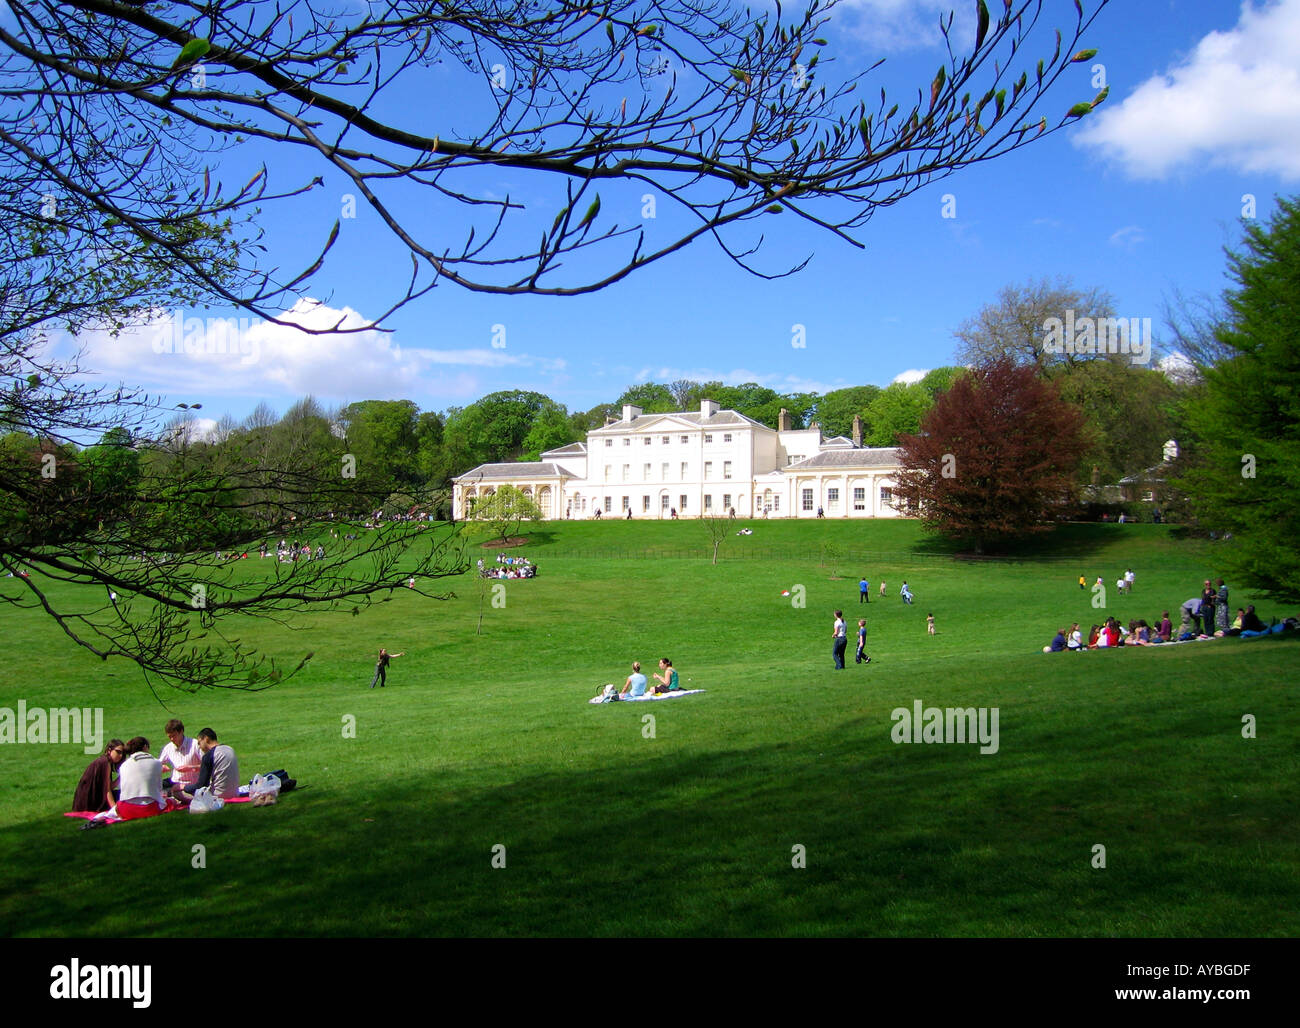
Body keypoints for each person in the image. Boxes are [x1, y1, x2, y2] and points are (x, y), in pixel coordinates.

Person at [114, 737, 180, 820]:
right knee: (171, 802)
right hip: (149, 808)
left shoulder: (124, 765)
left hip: (126, 809)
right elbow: (159, 789)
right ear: (145, 747)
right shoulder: (156, 763)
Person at [185, 728, 241, 800]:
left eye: (199, 743)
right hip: (235, 793)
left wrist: (184, 787)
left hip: (218, 796)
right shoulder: (230, 749)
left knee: (178, 793)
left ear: (206, 739)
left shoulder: (209, 756)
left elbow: (201, 785)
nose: (199, 747)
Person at [73, 739, 124, 812]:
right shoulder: (105, 763)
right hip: (91, 803)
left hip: (84, 802)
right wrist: (114, 809)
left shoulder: (104, 761)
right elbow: (107, 790)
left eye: (122, 753)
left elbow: (109, 787)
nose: (121, 756)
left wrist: (121, 777)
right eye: (118, 752)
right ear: (109, 750)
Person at [158, 719, 202, 796]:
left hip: (192, 784)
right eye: (169, 737)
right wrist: (161, 767)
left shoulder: (195, 745)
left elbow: (207, 766)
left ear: (181, 732)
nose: (172, 739)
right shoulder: (168, 748)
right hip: (175, 781)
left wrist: (190, 768)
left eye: (174, 736)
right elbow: (158, 763)